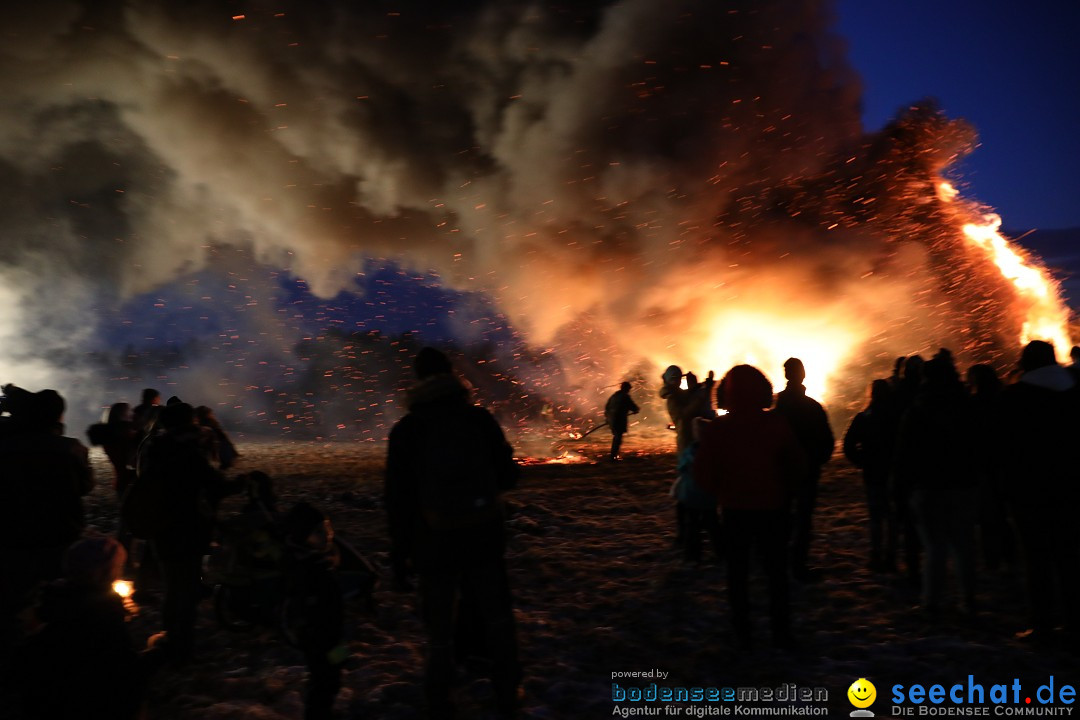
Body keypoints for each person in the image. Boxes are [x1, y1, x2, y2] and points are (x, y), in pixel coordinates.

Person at [386, 347, 521, 719]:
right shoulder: (479, 420)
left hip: (434, 540)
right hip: (484, 536)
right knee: (497, 617)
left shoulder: (407, 430)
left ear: (417, 380)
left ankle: (439, 698)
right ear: (451, 376)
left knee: (440, 628)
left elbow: (397, 498)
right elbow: (509, 475)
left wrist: (400, 551)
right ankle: (508, 692)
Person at [694, 365, 806, 650]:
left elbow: (703, 475)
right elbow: (796, 466)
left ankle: (742, 631)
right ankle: (781, 632)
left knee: (738, 574)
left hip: (735, 512)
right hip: (774, 509)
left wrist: (722, 492)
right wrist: (788, 495)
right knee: (776, 573)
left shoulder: (718, 428)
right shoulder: (777, 423)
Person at [138, 402, 239, 664]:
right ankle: (182, 648)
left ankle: (172, 637)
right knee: (187, 587)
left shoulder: (153, 446)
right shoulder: (190, 451)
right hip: (189, 525)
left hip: (161, 524)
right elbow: (215, 484)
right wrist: (242, 484)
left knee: (173, 586)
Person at [15, 536, 155, 720]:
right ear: (107, 574)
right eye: (117, 569)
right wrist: (156, 652)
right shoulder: (102, 618)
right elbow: (123, 675)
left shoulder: (52, 605)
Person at [0, 387, 94, 657]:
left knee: (12, 602)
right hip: (60, 534)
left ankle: (13, 659)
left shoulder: (4, 446)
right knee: (59, 600)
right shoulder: (71, 449)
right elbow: (85, 486)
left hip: (12, 537)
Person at [997, 340, 1080, 641]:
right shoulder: (1075, 392)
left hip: (1029, 493)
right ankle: (1074, 623)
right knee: (1070, 558)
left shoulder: (1015, 398)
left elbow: (1002, 448)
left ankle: (1043, 625)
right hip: (1071, 490)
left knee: (1037, 561)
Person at [893, 353, 978, 615]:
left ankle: (931, 601)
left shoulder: (918, 410)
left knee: (934, 548)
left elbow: (905, 453)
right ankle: (969, 602)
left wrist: (899, 487)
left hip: (927, 487)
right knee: (964, 546)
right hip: (962, 485)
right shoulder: (968, 405)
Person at [282, 502, 348, 720]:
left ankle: (322, 710)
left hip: (331, 635)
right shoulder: (306, 568)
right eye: (318, 532)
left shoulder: (318, 561)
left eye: (326, 529)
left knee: (331, 679)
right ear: (303, 536)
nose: (326, 536)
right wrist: (311, 634)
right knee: (324, 681)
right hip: (319, 638)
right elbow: (302, 607)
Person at [773, 358, 834, 581]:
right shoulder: (813, 407)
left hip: (781, 472)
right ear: (803, 375)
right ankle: (798, 565)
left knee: (780, 517)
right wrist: (816, 461)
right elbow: (827, 441)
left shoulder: (777, 408)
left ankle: (778, 563)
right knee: (803, 520)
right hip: (807, 472)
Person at [843, 379, 899, 571]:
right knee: (892, 518)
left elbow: (848, 444)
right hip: (893, 473)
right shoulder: (897, 416)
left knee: (876, 517)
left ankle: (876, 556)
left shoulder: (864, 417)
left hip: (873, 473)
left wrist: (861, 461)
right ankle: (890, 557)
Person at [659, 365, 714, 547]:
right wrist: (699, 394)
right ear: (668, 380)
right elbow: (684, 415)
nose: (676, 380)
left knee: (693, 488)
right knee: (689, 488)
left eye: (677, 377)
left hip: (693, 442)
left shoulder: (678, 394)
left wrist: (700, 388)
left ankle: (688, 535)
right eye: (673, 378)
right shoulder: (672, 398)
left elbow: (690, 400)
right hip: (687, 444)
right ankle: (688, 535)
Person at [604, 381, 639, 460]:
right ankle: (613, 455)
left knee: (616, 436)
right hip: (618, 420)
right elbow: (632, 406)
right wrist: (636, 410)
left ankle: (614, 454)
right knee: (618, 438)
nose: (629, 390)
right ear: (626, 388)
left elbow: (607, 408)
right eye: (628, 389)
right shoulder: (625, 396)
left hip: (612, 420)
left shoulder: (614, 396)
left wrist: (607, 418)